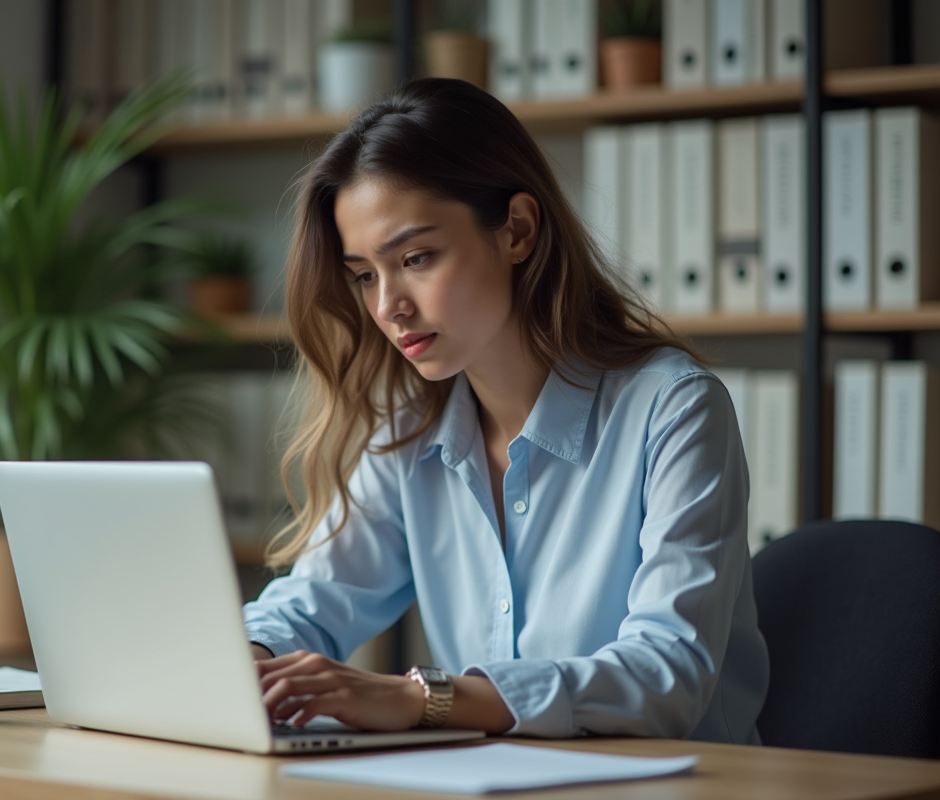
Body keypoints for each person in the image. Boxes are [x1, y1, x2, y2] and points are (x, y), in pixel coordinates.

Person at [242, 78, 768, 743]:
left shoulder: (673, 410)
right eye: (365, 274)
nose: (388, 306)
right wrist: (249, 662)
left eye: (416, 258)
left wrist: (420, 699)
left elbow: (666, 675)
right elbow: (313, 600)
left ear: (517, 229)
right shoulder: (409, 432)